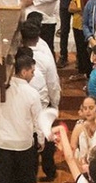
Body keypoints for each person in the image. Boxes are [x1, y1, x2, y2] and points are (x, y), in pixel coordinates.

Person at [0, 53, 41, 183]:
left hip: (3, 141)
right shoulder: (32, 93)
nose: (33, 75)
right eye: (32, 71)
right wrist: (41, 140)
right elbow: (38, 121)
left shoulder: (0, 88)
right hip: (23, 142)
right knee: (25, 178)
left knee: (5, 178)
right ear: (23, 72)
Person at [20, 23, 60, 182]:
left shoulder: (19, 56)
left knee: (33, 141)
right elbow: (53, 84)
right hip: (42, 105)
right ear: (37, 38)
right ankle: (48, 170)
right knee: (45, 139)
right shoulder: (45, 57)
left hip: (27, 107)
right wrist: (55, 104)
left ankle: (33, 173)